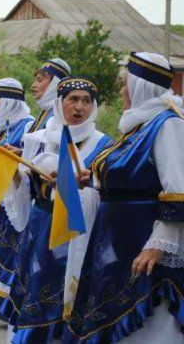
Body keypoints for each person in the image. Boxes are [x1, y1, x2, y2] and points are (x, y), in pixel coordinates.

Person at [64, 52, 184, 343]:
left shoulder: (167, 124)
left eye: (124, 84)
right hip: (115, 243)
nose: (121, 91)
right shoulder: (137, 126)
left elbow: (177, 190)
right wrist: (92, 180)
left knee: (148, 326)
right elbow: (131, 176)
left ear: (140, 86)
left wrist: (157, 246)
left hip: (142, 243)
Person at [0, 76, 112, 343]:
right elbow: (25, 185)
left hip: (75, 231)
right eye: (73, 99)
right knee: (36, 291)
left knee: (65, 296)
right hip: (41, 227)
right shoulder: (38, 139)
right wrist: (13, 168)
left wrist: (75, 185)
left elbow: (105, 190)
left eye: (87, 101)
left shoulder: (103, 145)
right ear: (60, 103)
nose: (79, 107)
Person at [0, 78, 34, 308]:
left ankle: (5, 304)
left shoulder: (28, 125)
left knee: (9, 251)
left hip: (14, 198)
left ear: (8, 102)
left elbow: (29, 161)